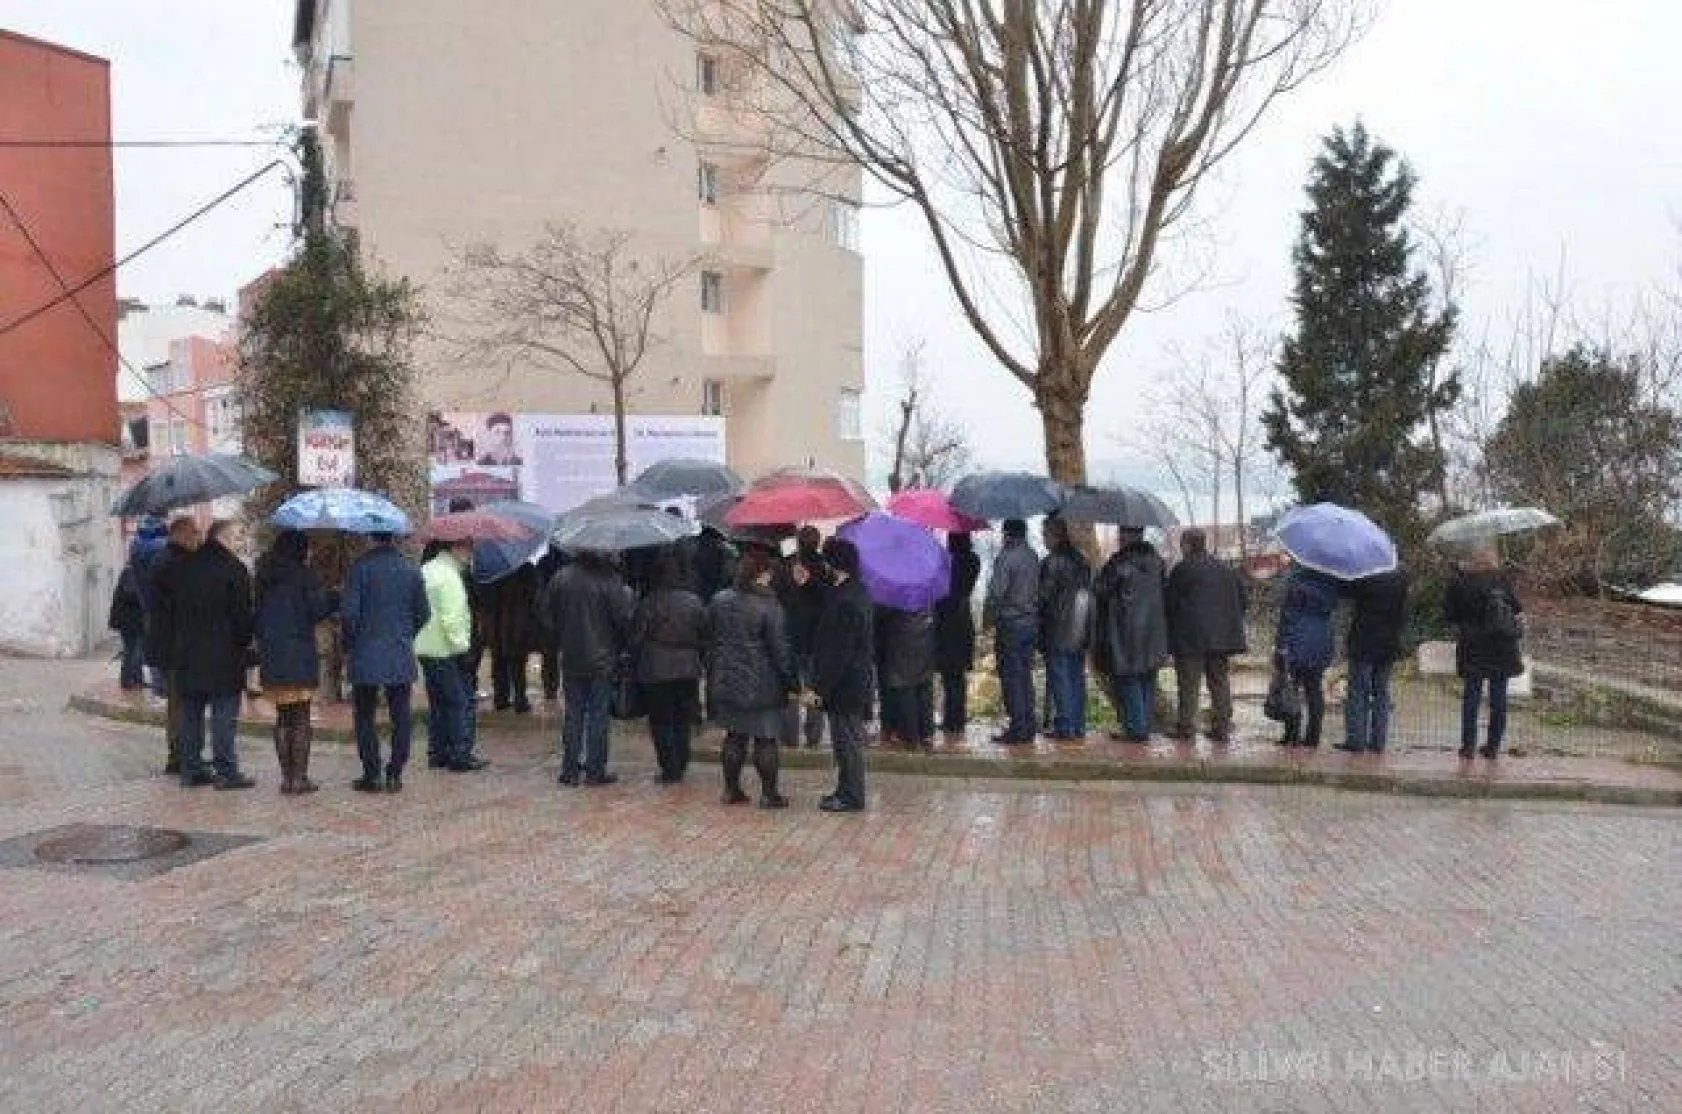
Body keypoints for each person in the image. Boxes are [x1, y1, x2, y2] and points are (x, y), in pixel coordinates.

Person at [157, 519, 256, 790]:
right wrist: (245, 643)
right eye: (236, 537)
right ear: (222, 538)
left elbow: (168, 606)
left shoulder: (182, 567)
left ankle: (191, 768)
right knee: (224, 713)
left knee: (191, 713)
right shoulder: (235, 570)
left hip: (187, 652)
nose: (239, 543)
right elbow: (242, 618)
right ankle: (226, 769)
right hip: (224, 655)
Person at [706, 548, 796, 808]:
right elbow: (780, 650)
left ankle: (730, 790)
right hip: (762, 682)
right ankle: (769, 794)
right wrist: (792, 682)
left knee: (734, 735)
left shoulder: (719, 599)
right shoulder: (770, 606)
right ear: (761, 575)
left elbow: (710, 634)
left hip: (727, 678)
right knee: (765, 738)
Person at [342, 532, 429, 792]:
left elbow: (349, 615)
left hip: (365, 651)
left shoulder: (360, 569)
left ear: (370, 538)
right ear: (394, 539)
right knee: (401, 714)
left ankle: (372, 772)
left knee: (364, 714)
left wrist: (351, 643)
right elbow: (424, 613)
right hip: (399, 651)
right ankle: (395, 773)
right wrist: (405, 634)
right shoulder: (411, 571)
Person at [542, 550, 635, 786]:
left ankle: (570, 769)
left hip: (572, 657)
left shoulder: (560, 578)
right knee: (598, 716)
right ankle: (595, 770)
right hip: (602, 659)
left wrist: (562, 637)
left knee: (573, 715)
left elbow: (547, 616)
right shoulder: (610, 581)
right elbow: (623, 620)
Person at [252, 530, 334, 794]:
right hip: (298, 652)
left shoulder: (264, 575)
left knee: (282, 718)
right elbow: (317, 610)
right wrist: (332, 595)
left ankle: (287, 778)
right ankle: (299, 778)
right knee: (300, 717)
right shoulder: (304, 576)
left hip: (272, 654)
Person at [1164, 528, 1248, 742]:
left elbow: (1169, 603)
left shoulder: (1183, 569)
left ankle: (1186, 726)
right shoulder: (1225, 568)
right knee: (1219, 681)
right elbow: (1242, 599)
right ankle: (1222, 726)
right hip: (1221, 638)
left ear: (1187, 545)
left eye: (1182, 544)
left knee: (1188, 683)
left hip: (1190, 638)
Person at [633, 550, 709, 783]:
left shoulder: (649, 602)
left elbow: (637, 637)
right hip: (687, 667)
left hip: (656, 668)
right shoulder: (694, 601)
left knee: (661, 720)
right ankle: (681, 761)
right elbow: (705, 633)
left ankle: (669, 767)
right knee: (682, 718)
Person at [810, 537, 874, 812]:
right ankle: (844, 789)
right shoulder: (853, 590)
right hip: (850, 681)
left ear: (834, 563)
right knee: (844, 740)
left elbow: (839, 652)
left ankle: (852, 795)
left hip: (846, 684)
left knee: (848, 742)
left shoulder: (847, 600)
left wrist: (820, 687)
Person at [1444, 548, 1525, 759]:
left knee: (1471, 696)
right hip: (1501, 647)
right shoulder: (1502, 582)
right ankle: (1493, 746)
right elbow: (1516, 608)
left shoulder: (1459, 583)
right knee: (1499, 699)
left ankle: (1468, 746)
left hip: (1473, 647)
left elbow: (1450, 615)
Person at [1091, 528, 1169, 742]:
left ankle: (1136, 730)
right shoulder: (1157, 563)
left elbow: (1100, 590)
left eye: (1122, 532)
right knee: (1147, 678)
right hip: (1153, 631)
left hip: (1125, 630)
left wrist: (1099, 573)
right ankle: (1143, 725)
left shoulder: (1119, 563)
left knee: (1128, 679)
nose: (1119, 536)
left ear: (1130, 536)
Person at [417, 537, 484, 773]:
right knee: (458, 701)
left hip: (425, 647)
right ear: (454, 548)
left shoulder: (426, 569)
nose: (470, 552)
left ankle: (437, 752)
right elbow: (452, 618)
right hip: (447, 650)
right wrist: (463, 646)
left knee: (437, 703)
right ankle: (459, 754)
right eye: (467, 547)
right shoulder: (450, 577)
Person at [141, 517, 199, 772]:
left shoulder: (164, 560)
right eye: (194, 533)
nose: (198, 537)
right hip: (176, 645)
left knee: (178, 702)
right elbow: (183, 604)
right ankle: (180, 756)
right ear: (182, 535)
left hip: (169, 644)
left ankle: (180, 754)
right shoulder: (173, 564)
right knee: (180, 702)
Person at [983, 518, 1041, 744]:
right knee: (1025, 675)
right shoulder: (1033, 556)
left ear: (1007, 534)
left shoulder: (1006, 557)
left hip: (1011, 622)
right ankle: (1028, 723)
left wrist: (987, 620)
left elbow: (997, 592)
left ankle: (1017, 726)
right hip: (1031, 622)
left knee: (1012, 676)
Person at [1341, 566, 1410, 753]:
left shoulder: (1366, 575)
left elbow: (1347, 590)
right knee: (1381, 691)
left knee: (1358, 690)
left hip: (1364, 640)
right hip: (1389, 642)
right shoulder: (1401, 577)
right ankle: (1378, 741)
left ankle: (1356, 739)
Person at [1273, 564, 1341, 748]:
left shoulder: (1296, 582)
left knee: (1291, 686)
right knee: (1314, 689)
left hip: (1298, 638)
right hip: (1322, 638)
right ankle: (1313, 737)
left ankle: (1292, 734)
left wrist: (1281, 646)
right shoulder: (1332, 582)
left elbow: (1288, 617)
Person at [1038, 514, 1093, 740]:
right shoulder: (1082, 560)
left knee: (1060, 676)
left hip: (1058, 627)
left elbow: (1044, 596)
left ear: (1053, 535)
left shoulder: (1052, 562)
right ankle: (1078, 724)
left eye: (1044, 534)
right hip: (1081, 626)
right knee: (1076, 676)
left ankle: (1065, 726)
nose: (1043, 539)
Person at [782, 526, 829, 749]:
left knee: (791, 687)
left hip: (790, 634)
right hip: (817, 637)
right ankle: (813, 737)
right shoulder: (826, 568)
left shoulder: (787, 565)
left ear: (798, 542)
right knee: (814, 687)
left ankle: (790, 736)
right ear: (818, 542)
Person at [934, 532, 981, 736]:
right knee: (958, 675)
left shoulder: (946, 561)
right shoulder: (974, 560)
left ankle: (950, 719)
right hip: (963, 619)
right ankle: (958, 719)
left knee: (948, 673)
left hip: (946, 620)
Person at [127, 516, 170, 698]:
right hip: (164, 606)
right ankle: (166, 686)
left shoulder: (135, 547)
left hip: (147, 605)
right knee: (166, 646)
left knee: (152, 646)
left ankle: (159, 686)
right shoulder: (162, 547)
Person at [488, 563, 539, 714]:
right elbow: (533, 594)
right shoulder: (526, 567)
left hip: (497, 621)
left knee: (498, 660)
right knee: (518, 663)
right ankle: (520, 700)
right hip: (518, 622)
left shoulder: (491, 567)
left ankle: (501, 698)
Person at [533, 546, 569, 703]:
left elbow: (538, 590)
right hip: (563, 610)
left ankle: (550, 688)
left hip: (547, 610)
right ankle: (563, 687)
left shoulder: (542, 562)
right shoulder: (567, 561)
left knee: (549, 654)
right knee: (566, 652)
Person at [108, 564, 147, 690]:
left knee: (138, 651)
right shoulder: (131, 572)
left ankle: (137, 678)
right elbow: (131, 593)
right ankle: (127, 680)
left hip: (134, 621)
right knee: (132, 650)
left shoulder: (136, 572)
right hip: (129, 621)